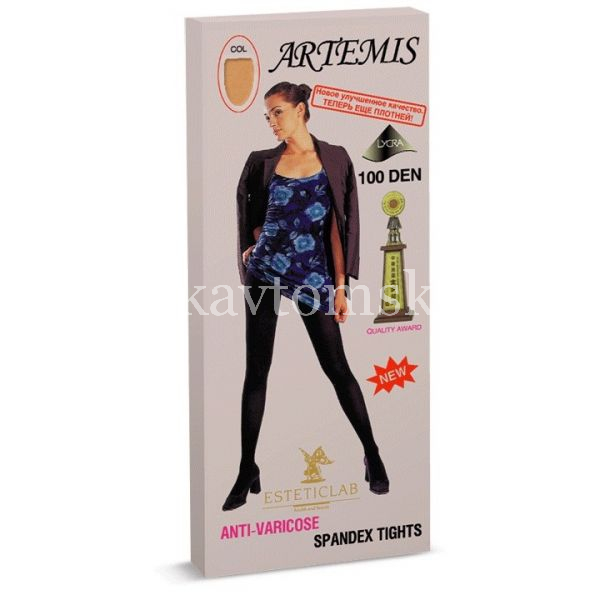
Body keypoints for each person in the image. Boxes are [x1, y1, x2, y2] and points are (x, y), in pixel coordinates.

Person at [223, 82, 389, 511]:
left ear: (300, 110)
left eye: (278, 112)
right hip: (265, 274)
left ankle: (372, 454)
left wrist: (341, 286)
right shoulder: (261, 161)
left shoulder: (334, 158)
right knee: (256, 372)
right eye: (267, 116)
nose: (272, 122)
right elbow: (252, 216)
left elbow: (338, 227)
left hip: (313, 275)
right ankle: (246, 467)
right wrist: (254, 245)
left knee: (337, 368)